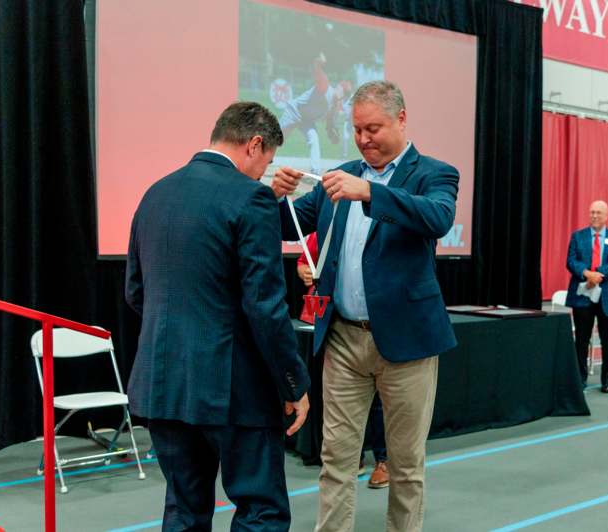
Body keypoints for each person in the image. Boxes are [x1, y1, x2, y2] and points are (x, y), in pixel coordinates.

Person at [272, 80, 459, 532]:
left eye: (373, 128)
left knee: (405, 464)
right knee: (336, 458)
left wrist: (371, 193)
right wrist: (276, 195)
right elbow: (288, 224)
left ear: (401, 118)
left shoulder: (435, 173)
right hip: (342, 338)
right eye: (357, 129)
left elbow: (437, 217)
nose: (363, 139)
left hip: (408, 343)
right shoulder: (341, 175)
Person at [125, 101, 310, 531]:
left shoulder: (156, 193)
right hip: (234, 390)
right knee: (261, 511)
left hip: (164, 384)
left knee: (184, 510)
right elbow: (264, 305)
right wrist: (292, 381)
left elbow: (137, 292)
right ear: (254, 145)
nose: (264, 173)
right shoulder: (253, 199)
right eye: (267, 163)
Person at [296, 232, 389, 488]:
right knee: (341, 403)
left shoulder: (383, 222)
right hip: (333, 324)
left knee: (380, 403)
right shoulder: (323, 230)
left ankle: (384, 460)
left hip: (381, 326)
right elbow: (304, 261)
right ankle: (353, 458)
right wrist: (305, 271)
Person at [565, 200, 608, 393]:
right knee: (581, 340)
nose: (594, 216)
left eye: (598, 213)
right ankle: (580, 379)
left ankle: (607, 381)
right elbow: (570, 261)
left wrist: (599, 274)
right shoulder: (578, 237)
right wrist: (586, 273)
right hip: (583, 295)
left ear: (606, 216)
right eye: (592, 212)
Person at [278, 53, 352, 175]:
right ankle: (260, 156)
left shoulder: (334, 107)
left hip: (307, 120)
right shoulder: (325, 88)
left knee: (314, 139)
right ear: (338, 87)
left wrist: (331, 132)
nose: (342, 93)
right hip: (294, 111)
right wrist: (318, 63)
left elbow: (329, 123)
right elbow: (318, 74)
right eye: (342, 89)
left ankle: (315, 172)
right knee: (277, 138)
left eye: (345, 93)